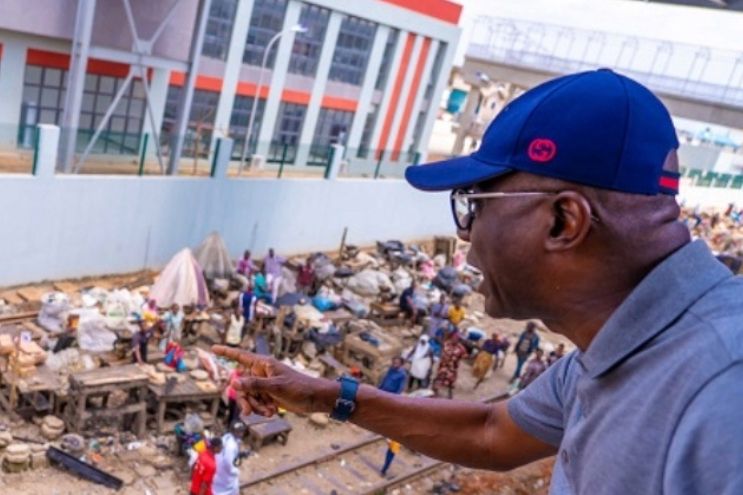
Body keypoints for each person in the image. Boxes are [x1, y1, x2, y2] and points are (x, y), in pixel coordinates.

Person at [213, 70, 743, 493]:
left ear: (563, 222)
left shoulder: (721, 397)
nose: (465, 237)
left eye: (473, 206)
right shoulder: (606, 351)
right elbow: (491, 433)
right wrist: (330, 397)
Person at [213, 422, 247, 495]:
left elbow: (234, 458)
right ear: (233, 431)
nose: (241, 434)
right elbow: (228, 463)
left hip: (219, 469)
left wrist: (240, 455)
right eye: (238, 432)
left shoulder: (227, 437)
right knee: (230, 488)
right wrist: (236, 471)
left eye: (242, 431)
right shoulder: (230, 447)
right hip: (224, 471)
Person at [432, 330, 467, 399]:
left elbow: (465, 356)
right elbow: (442, 351)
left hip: (452, 368)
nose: (455, 339)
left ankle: (450, 396)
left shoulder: (461, 348)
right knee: (439, 378)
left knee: (450, 382)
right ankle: (435, 393)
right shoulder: (446, 344)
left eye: (457, 338)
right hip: (443, 366)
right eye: (454, 337)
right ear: (451, 337)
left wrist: (457, 358)